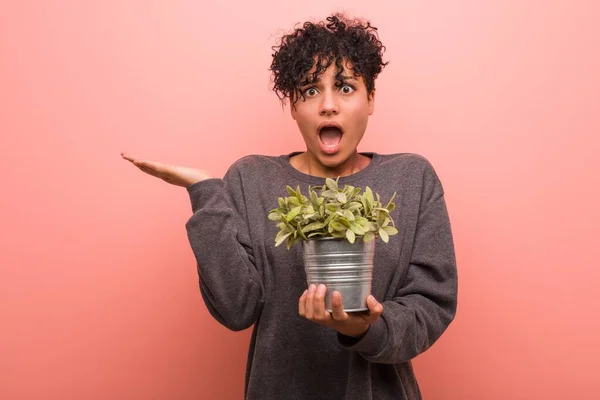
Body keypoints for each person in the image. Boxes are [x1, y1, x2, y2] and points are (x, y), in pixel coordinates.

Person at [123, 12, 457, 400]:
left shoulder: (411, 179)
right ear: (293, 106)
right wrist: (205, 192)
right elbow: (236, 309)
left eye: (345, 88)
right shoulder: (252, 179)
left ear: (371, 100)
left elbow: (430, 305)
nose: (328, 105)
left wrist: (364, 328)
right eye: (310, 90)